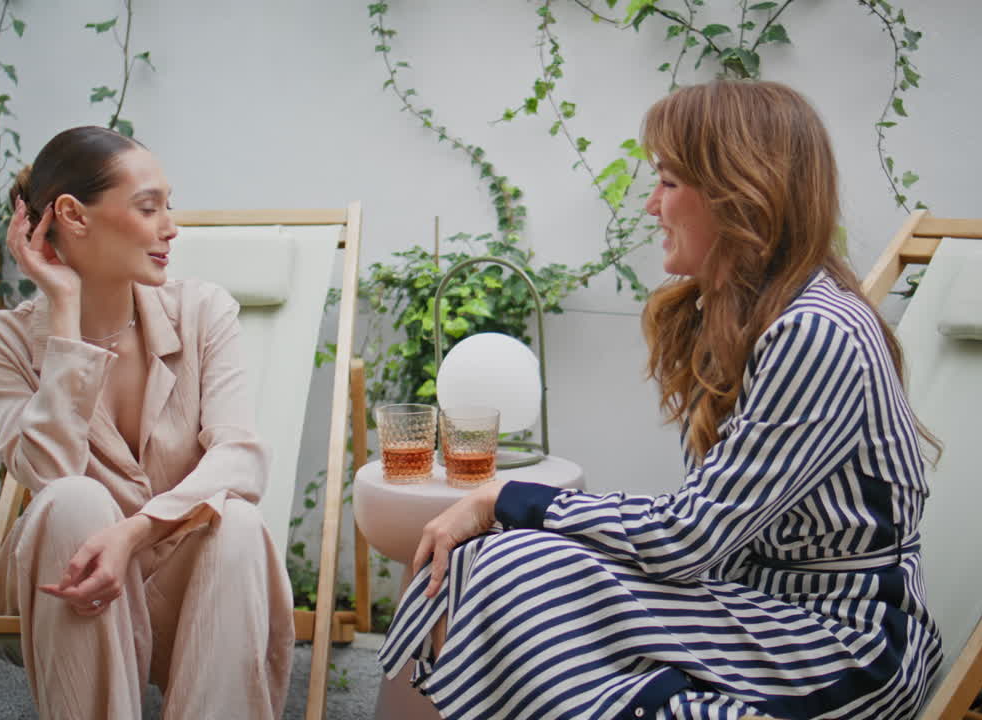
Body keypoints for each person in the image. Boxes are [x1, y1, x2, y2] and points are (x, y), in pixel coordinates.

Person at [378, 81, 944, 720]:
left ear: (739, 193)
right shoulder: (750, 318)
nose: (651, 206)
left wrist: (500, 497)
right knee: (504, 562)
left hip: (839, 649)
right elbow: (700, 526)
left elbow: (689, 535)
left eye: (669, 183)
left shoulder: (815, 330)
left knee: (515, 569)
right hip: (751, 616)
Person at [0, 126, 294, 719]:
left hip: (184, 581)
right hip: (67, 571)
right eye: (149, 207)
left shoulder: (203, 311)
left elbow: (239, 457)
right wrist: (63, 310)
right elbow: (50, 472)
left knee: (237, 522)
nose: (171, 227)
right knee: (73, 501)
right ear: (72, 215)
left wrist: (135, 532)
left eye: (170, 204)